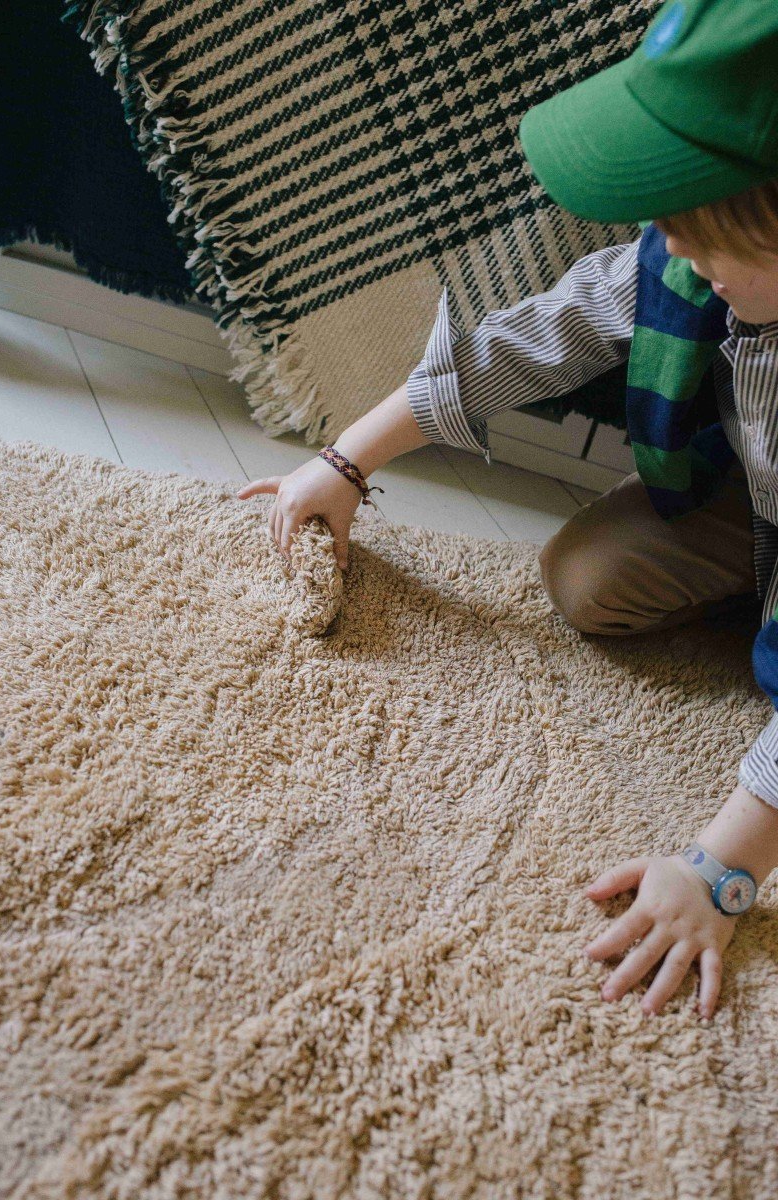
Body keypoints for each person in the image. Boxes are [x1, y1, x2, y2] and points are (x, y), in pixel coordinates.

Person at [238, 0, 778, 1021]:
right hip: (754, 497)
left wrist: (721, 872)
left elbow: (723, 870)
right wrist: (346, 462)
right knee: (586, 580)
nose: (670, 243)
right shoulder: (688, 258)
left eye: (700, 230)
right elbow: (541, 334)